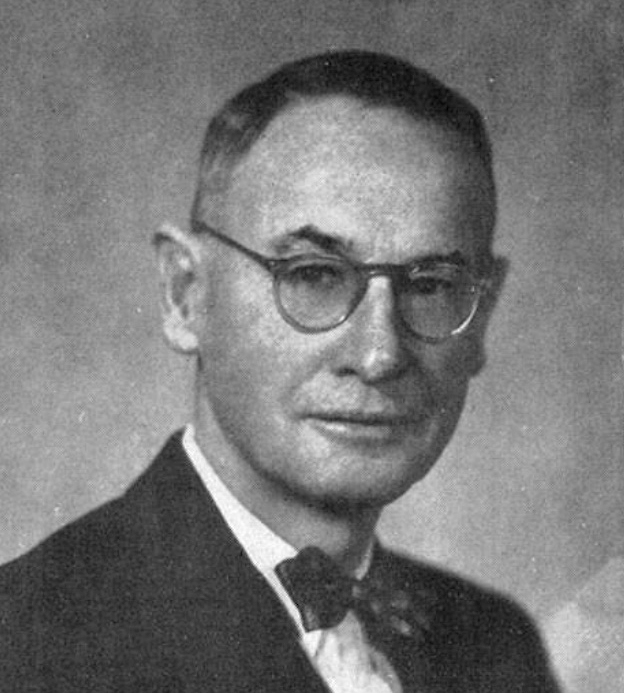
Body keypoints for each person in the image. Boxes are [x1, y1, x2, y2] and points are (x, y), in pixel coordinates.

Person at [0, 51, 561, 692]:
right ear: (186, 295)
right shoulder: (26, 643)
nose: (379, 355)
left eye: (432, 285)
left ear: (483, 313)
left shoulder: (494, 644)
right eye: (314, 275)